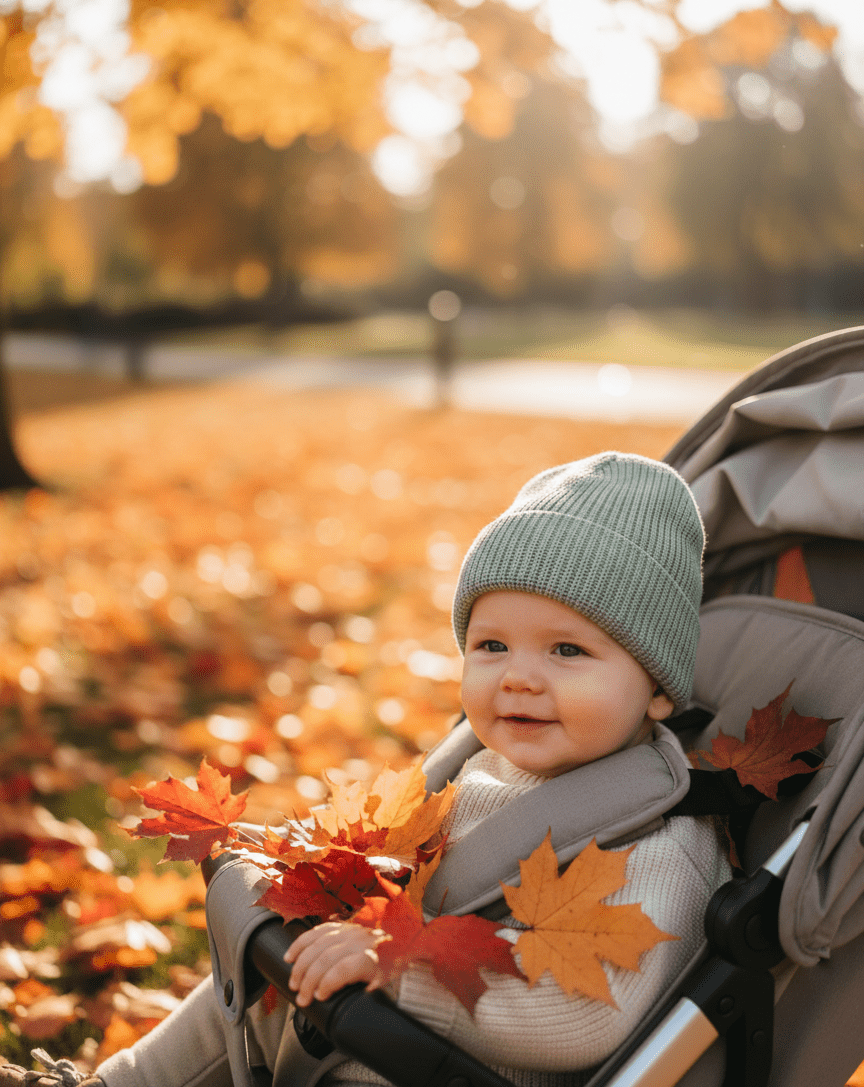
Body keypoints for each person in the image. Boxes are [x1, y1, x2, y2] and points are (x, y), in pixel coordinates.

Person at [5, 453, 730, 1087]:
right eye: (492, 646)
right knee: (252, 978)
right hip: (351, 1026)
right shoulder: (475, 768)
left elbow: (583, 1013)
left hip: (447, 1067)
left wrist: (397, 967)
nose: (519, 678)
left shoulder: (660, 841)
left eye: (567, 652)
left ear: (658, 688)